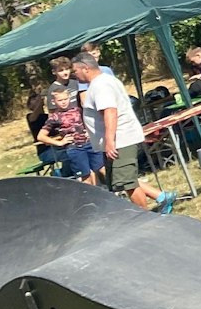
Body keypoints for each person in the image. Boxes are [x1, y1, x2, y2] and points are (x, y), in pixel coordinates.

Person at [71, 52, 173, 212]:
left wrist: (110, 140)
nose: (74, 75)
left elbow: (110, 112)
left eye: (75, 71)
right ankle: (161, 198)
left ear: (85, 68)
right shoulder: (102, 82)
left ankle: (145, 218)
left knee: (127, 183)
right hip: (115, 141)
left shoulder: (101, 85)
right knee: (123, 180)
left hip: (120, 140)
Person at [35, 81, 102, 184]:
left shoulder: (78, 110)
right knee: (85, 176)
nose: (63, 102)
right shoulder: (54, 117)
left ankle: (114, 192)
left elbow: (90, 121)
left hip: (90, 144)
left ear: (70, 98)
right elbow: (41, 136)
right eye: (60, 100)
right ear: (54, 102)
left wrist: (90, 131)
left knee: (101, 169)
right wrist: (60, 142)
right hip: (74, 149)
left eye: (65, 99)